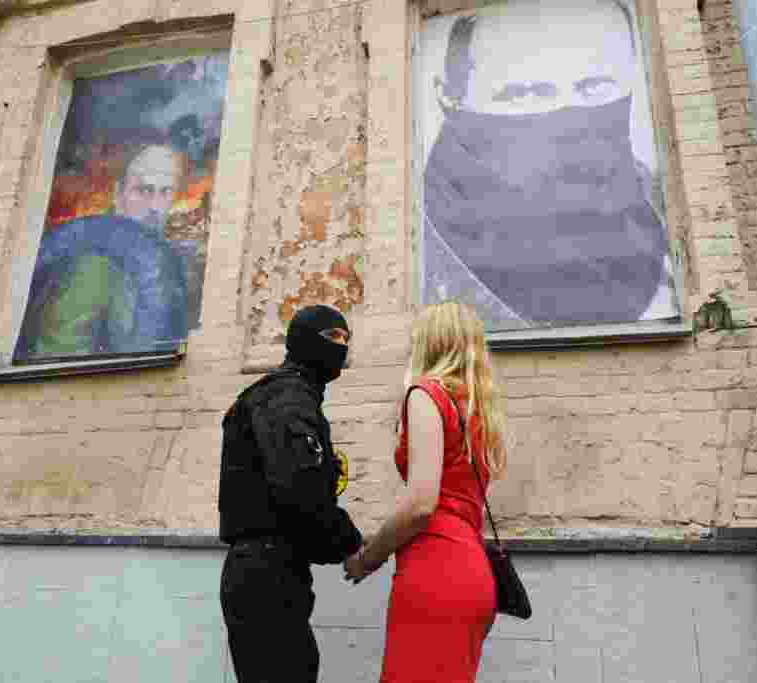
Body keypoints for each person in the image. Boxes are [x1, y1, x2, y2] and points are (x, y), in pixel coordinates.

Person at [420, 0, 678, 328]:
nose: (567, 117)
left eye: (595, 87)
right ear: (450, 98)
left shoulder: (661, 210)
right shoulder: (417, 256)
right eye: (525, 93)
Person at [344, 300, 510, 682]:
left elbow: (421, 503)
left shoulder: (426, 394)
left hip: (435, 569)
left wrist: (368, 558)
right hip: (472, 572)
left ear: (428, 344)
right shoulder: (478, 411)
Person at [218, 304, 367, 683]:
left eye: (347, 338)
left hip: (275, 568)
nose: (342, 346)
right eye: (333, 336)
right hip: (265, 570)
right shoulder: (285, 400)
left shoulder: (290, 398)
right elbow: (298, 489)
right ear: (302, 339)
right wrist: (350, 544)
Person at [13, 145, 189, 362]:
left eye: (166, 192)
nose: (154, 206)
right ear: (118, 194)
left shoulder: (169, 260)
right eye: (143, 190)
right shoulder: (91, 264)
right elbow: (60, 358)